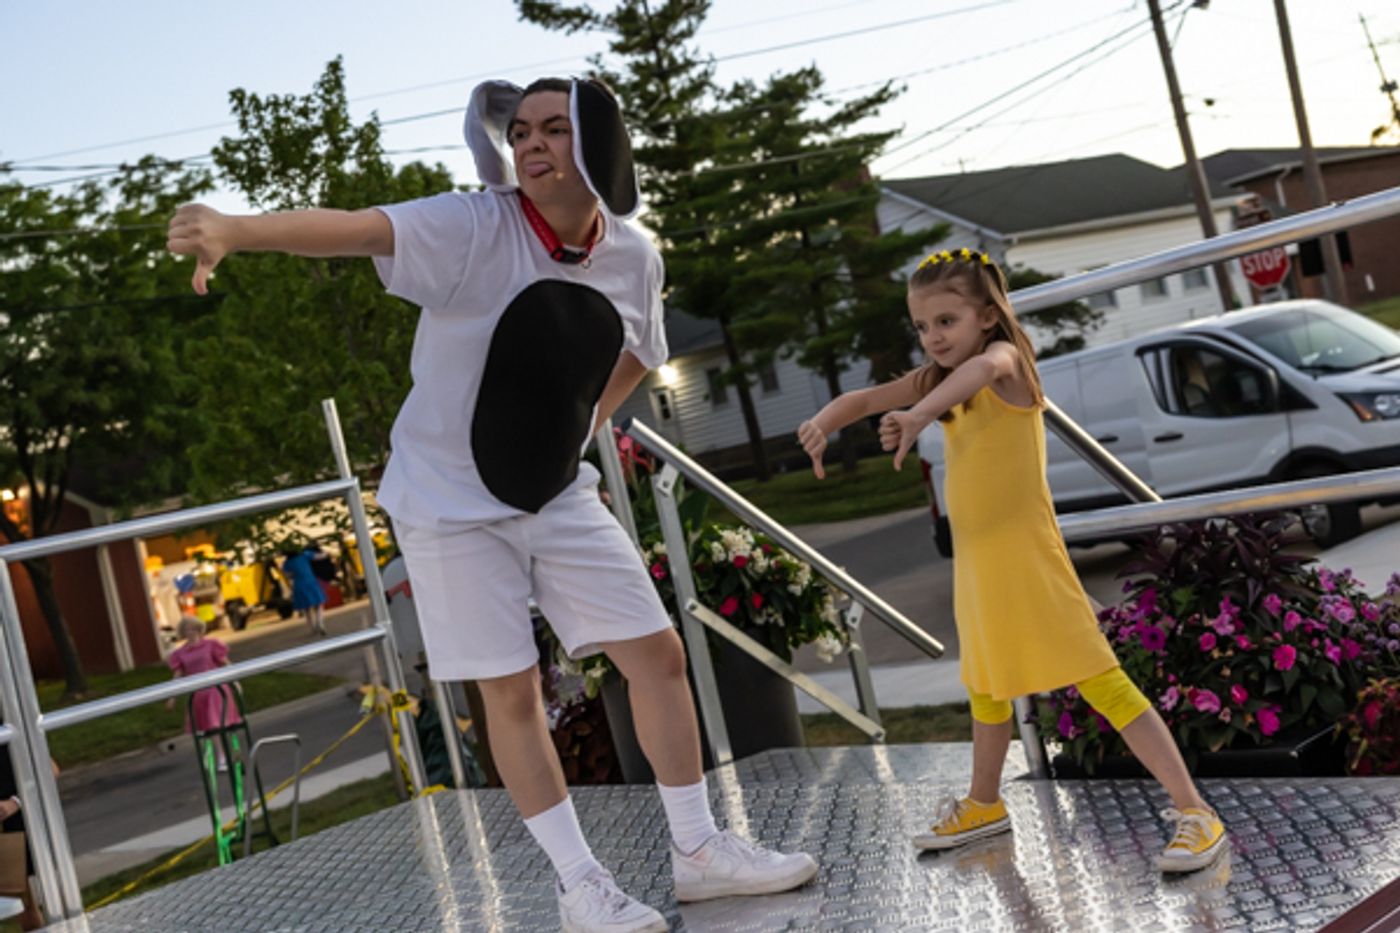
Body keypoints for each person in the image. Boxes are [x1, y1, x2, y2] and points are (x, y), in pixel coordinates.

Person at [168, 76, 816, 931]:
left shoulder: (633, 253)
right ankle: (579, 882)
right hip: (445, 502)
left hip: (554, 492)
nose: (531, 144)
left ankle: (698, 852)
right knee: (511, 692)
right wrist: (238, 230)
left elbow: (636, 351)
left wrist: (575, 428)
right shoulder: (475, 226)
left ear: (601, 145)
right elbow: (358, 227)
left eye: (554, 128)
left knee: (657, 656)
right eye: (520, 132)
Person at [797, 248, 1227, 874]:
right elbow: (866, 398)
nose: (933, 337)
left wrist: (920, 414)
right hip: (978, 568)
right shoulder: (936, 381)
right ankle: (984, 804)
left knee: (1101, 680)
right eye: (922, 327)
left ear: (988, 317)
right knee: (985, 686)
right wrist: (822, 421)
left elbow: (978, 372)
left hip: (1029, 560)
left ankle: (1195, 812)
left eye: (947, 321)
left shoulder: (1006, 366)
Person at [166, 616, 242, 769]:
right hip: (198, 693)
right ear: (183, 632)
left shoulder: (211, 645)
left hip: (216, 689)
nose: (191, 632)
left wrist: (236, 681)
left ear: (200, 629)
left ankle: (231, 752)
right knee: (210, 726)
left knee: (220, 722)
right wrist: (171, 697)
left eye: (194, 628)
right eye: (187, 629)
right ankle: (220, 756)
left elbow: (225, 663)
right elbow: (178, 675)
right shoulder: (180, 653)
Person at [0, 746, 55, 930]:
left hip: (16, 829)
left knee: (27, 908)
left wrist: (14, 803)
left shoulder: (9, 730)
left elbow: (49, 769)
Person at [281, 545, 328, 635]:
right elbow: (320, 556)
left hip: (299, 585)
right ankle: (321, 624)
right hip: (311, 583)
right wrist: (326, 552)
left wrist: (295, 573)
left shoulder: (287, 563)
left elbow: (288, 576)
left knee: (307, 609)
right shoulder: (305, 555)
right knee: (319, 605)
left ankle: (313, 628)